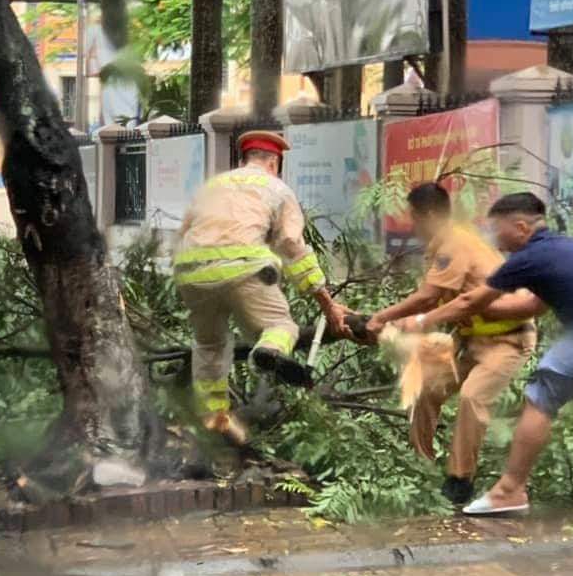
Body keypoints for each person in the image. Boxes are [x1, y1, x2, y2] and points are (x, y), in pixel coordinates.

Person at [407, 191, 573, 516]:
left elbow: (471, 301)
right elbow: (532, 305)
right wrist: (480, 315)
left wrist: (424, 319)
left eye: (498, 229)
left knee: (540, 394)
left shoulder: (528, 259)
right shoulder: (564, 247)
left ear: (521, 227)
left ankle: (509, 491)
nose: (494, 238)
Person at [365, 182, 537, 506]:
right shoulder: (446, 246)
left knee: (472, 397)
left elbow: (427, 299)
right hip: (471, 341)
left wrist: (383, 317)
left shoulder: (456, 244)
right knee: (425, 388)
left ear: (428, 214)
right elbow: (436, 300)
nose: (412, 225)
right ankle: (421, 465)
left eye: (413, 217)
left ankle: (460, 480)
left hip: (508, 341)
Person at [174, 130, 349, 445]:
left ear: (243, 159)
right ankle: (267, 352)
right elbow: (292, 245)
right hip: (245, 269)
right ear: (274, 162)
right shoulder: (277, 189)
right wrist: (327, 303)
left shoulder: (212, 186)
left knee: (209, 346)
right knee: (280, 325)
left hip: (190, 272)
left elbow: (183, 232)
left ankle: (215, 419)